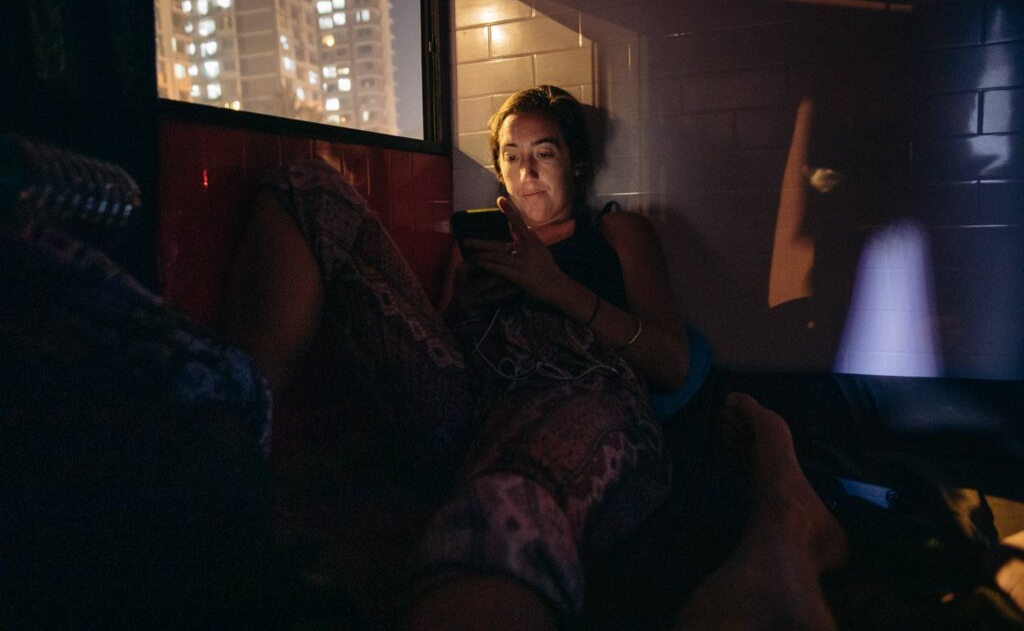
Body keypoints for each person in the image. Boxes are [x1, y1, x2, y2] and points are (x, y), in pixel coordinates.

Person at [223, 85, 848, 628]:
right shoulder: (478, 244)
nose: (526, 171)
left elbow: (673, 364)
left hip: (581, 389)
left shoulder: (617, 232)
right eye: (511, 156)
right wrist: (462, 304)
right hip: (473, 399)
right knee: (308, 189)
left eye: (544, 153)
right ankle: (230, 449)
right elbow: (433, 354)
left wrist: (557, 289)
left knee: (507, 508)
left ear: (574, 163)